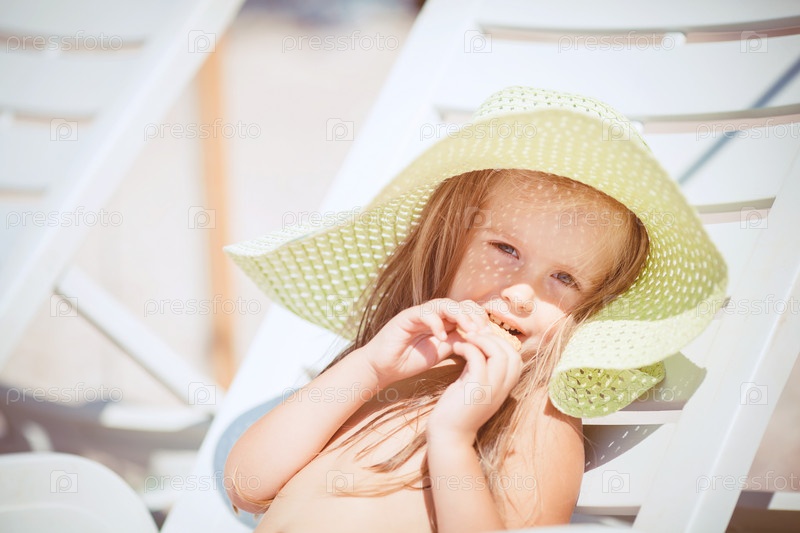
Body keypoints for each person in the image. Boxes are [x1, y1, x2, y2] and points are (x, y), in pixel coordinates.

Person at [222, 87, 728, 532]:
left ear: (591, 312)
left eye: (564, 278)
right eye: (505, 249)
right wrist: (369, 367)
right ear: (450, 245)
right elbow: (246, 486)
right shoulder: (382, 372)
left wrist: (453, 439)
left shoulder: (538, 418)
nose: (521, 293)